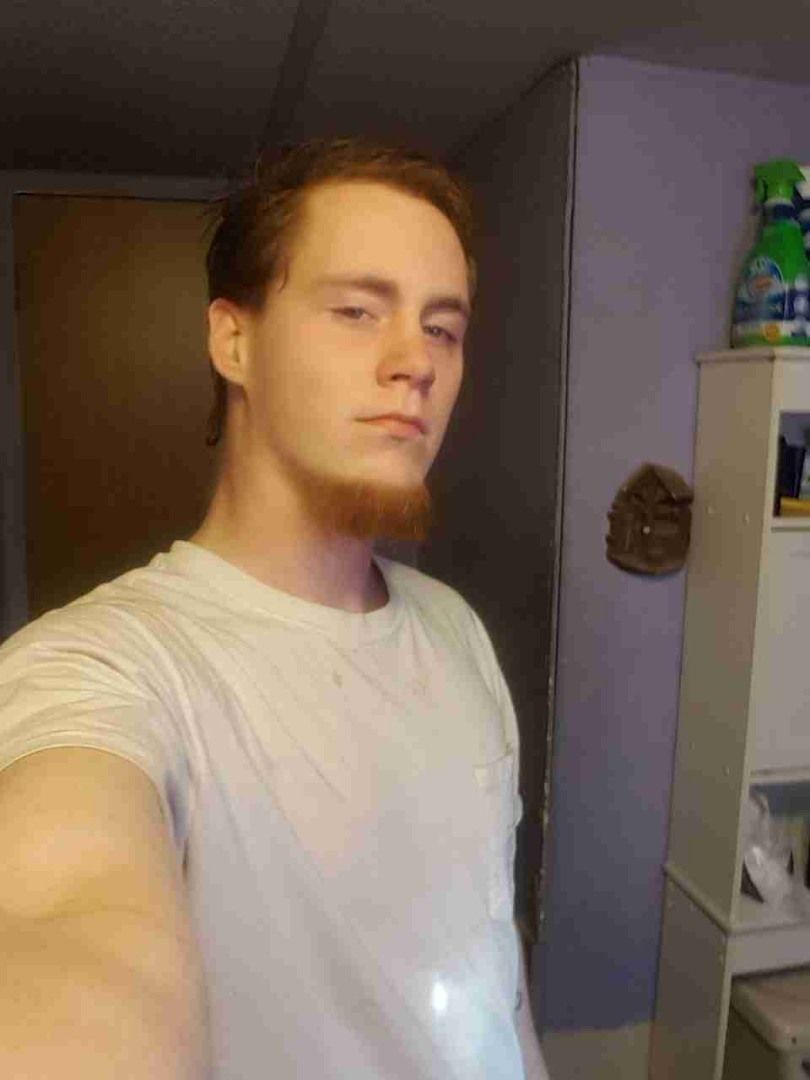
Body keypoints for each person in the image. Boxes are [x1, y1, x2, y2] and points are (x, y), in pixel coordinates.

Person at [0, 137, 549, 1079]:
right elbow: (68, 927)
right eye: (357, 310)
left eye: (442, 327)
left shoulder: (455, 628)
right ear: (234, 341)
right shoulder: (100, 666)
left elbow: (494, 972)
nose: (415, 361)